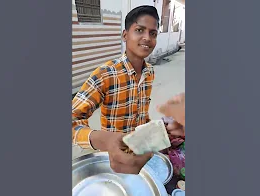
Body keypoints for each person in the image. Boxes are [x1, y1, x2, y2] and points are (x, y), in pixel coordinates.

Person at [72, 5, 183, 174]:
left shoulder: (149, 72)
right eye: (139, 30)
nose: (147, 38)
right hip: (115, 156)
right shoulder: (105, 74)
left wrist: (159, 128)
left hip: (141, 147)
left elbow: (141, 114)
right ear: (125, 35)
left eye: (153, 33)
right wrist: (104, 140)